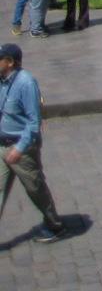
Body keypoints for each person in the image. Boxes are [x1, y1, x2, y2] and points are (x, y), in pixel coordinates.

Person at [0, 42, 67, 242]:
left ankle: (54, 224)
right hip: (2, 144)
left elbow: (33, 122)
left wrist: (19, 148)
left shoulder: (26, 83)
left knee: (34, 188)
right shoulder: (2, 81)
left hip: (22, 147)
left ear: (10, 62)